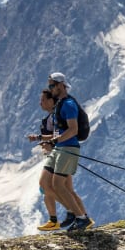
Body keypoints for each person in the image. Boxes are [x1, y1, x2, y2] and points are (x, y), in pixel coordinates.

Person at [28, 88, 87, 232]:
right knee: (60, 188)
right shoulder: (54, 116)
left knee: (54, 187)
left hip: (62, 151)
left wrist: (51, 143)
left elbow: (65, 133)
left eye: (42, 100)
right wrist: (40, 138)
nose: (40, 103)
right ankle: (77, 216)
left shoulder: (56, 115)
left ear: (50, 101)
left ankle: (75, 215)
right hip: (59, 151)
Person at [40, 73, 92, 232]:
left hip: (68, 148)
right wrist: (44, 138)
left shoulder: (69, 104)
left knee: (58, 184)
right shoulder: (60, 104)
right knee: (44, 183)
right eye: (49, 86)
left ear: (61, 85)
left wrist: (55, 140)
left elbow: (73, 130)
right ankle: (72, 213)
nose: (50, 89)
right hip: (60, 148)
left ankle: (82, 218)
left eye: (52, 86)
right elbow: (61, 130)